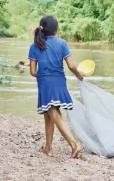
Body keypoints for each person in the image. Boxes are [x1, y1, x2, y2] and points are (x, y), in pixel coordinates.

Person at [28, 16, 83, 158]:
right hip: (60, 81)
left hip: (45, 83)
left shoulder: (34, 46)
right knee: (48, 114)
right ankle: (48, 148)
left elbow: (33, 72)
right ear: (55, 30)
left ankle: (74, 145)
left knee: (52, 112)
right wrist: (78, 74)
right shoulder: (62, 43)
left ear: (41, 28)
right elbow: (70, 66)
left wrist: (44, 72)